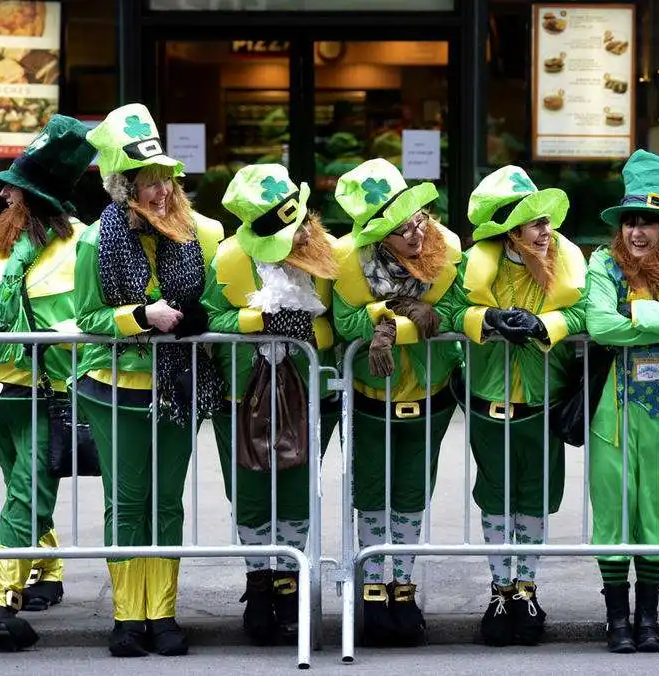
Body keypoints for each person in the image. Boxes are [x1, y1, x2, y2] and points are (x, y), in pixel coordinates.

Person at [74, 104, 225, 657]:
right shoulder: (96, 240)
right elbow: (87, 319)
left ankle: (162, 614)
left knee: (166, 502)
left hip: (178, 387)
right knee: (128, 500)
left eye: (165, 179)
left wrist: (200, 314)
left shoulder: (189, 235)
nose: (161, 191)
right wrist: (142, 317)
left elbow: (204, 302)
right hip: (116, 388)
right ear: (123, 186)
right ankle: (126, 617)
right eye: (147, 182)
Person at [0, 116, 96, 651]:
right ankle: (26, 585)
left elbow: (87, 318)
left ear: (35, 199)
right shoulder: (9, 244)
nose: (4, 195)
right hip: (0, 393)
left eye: (13, 190)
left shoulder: (64, 245)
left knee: (26, 492)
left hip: (30, 391)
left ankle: (19, 589)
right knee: (26, 491)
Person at [446, 166, 586, 647]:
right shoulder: (472, 264)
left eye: (547, 221)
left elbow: (587, 307)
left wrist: (549, 325)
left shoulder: (568, 259)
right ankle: (499, 590)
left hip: (546, 403)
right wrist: (485, 318)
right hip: (489, 403)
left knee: (535, 502)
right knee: (496, 499)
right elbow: (445, 308)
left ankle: (526, 587)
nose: (547, 231)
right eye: (535, 223)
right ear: (510, 229)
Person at [202, 163, 340, 646]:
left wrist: (304, 328)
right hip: (241, 395)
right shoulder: (227, 257)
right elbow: (208, 317)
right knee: (250, 492)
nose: (300, 235)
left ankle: (291, 581)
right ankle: (260, 583)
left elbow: (338, 324)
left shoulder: (327, 254)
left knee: (298, 489)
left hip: (308, 394)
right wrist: (255, 319)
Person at [332, 158, 462, 647]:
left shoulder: (446, 248)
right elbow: (345, 323)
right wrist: (389, 318)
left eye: (416, 221)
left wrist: (416, 314)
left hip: (430, 394)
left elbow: (456, 306)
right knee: (370, 493)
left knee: (411, 494)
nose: (414, 234)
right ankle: (370, 592)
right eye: (400, 230)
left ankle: (402, 589)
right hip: (369, 396)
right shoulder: (348, 262)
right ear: (377, 237)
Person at [586, 150, 659, 653]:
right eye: (631, 221)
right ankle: (617, 620)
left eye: (649, 223)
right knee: (612, 511)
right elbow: (598, 324)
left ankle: (649, 618)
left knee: (658, 508)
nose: (637, 232)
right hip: (611, 412)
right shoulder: (601, 262)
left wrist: (632, 316)